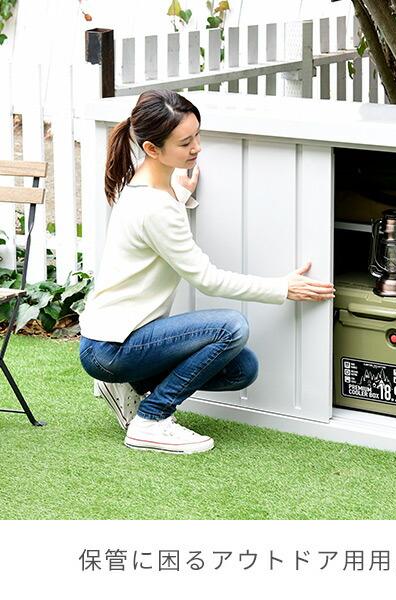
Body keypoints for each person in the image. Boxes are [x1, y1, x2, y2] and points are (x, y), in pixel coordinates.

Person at [78, 89, 335, 455]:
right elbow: (207, 279)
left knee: (242, 368)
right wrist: (282, 288)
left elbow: (157, 223)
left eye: (197, 135)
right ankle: (151, 419)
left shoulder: (148, 186)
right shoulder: (156, 207)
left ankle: (128, 383)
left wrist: (180, 195)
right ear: (152, 148)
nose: (197, 147)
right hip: (112, 347)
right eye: (185, 143)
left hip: (114, 340)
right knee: (231, 327)